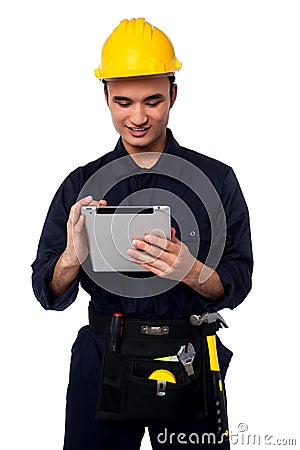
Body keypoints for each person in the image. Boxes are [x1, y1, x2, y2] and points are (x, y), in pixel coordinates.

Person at [32, 18, 253, 450]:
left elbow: (239, 280)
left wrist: (192, 272)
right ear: (105, 98)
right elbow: (47, 291)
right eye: (123, 102)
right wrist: (72, 258)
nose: (137, 117)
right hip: (102, 357)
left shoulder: (217, 179)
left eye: (153, 100)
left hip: (189, 353)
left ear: (173, 93)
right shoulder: (82, 184)